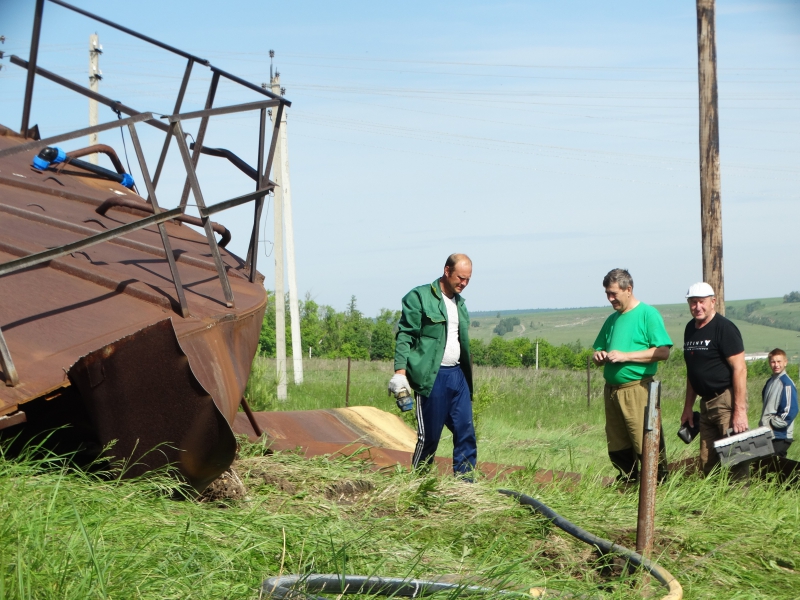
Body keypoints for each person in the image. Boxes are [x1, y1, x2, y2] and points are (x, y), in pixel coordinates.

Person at [388, 253, 477, 478]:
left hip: (457, 376)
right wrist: (400, 373)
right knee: (430, 437)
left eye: (468, 279)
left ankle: (465, 486)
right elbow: (405, 335)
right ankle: (418, 484)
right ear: (447, 271)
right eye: (460, 278)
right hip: (432, 377)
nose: (463, 283)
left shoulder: (460, 304)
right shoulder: (419, 297)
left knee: (465, 431)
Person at [592, 268, 672, 482]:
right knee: (617, 441)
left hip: (637, 389)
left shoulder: (648, 314)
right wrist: (598, 356)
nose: (610, 299)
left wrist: (626, 356)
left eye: (613, 294)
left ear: (629, 289)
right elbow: (597, 349)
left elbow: (662, 351)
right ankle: (627, 479)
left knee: (644, 440)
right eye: (607, 294)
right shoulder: (612, 320)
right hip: (612, 391)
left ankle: (656, 484)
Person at [680, 282, 749, 476]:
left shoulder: (724, 328)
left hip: (726, 399)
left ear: (713, 302)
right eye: (693, 303)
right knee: (707, 460)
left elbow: (740, 369)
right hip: (706, 403)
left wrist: (740, 411)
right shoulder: (690, 329)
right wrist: (687, 408)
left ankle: (740, 501)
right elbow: (693, 372)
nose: (697, 307)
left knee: (735, 456)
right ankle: (713, 502)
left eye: (701, 302)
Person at [759, 348, 797, 458]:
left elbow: (791, 410)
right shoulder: (770, 382)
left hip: (780, 435)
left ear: (785, 362)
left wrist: (772, 424)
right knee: (767, 468)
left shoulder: (786, 383)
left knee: (775, 468)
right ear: (769, 363)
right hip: (769, 434)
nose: (776, 365)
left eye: (779, 361)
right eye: (773, 362)